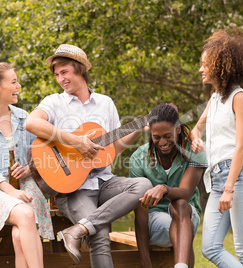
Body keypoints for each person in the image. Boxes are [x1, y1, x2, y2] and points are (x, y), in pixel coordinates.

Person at [24, 44, 152, 267]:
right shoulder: (54, 102)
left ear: (80, 69)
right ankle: (86, 227)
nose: (60, 79)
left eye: (64, 72)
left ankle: (77, 229)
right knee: (99, 234)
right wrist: (75, 141)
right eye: (57, 74)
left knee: (143, 185)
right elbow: (31, 122)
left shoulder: (106, 103)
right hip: (72, 187)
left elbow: (114, 148)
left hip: (103, 181)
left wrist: (138, 129)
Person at [0, 53, 54, 267]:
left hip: (27, 186)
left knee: (18, 236)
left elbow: (39, 153)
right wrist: (12, 192)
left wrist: (29, 168)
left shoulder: (24, 116)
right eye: (13, 82)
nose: (19, 86)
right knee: (25, 215)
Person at [191, 29, 243, 267]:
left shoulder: (239, 98)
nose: (201, 69)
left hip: (240, 176)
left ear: (220, 65)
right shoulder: (214, 98)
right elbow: (197, 128)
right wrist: (195, 137)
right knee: (210, 246)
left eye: (205, 64)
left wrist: (229, 188)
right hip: (218, 178)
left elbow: (242, 146)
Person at [129, 103, 207, 268]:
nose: (162, 142)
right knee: (178, 225)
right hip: (154, 220)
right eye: (156, 137)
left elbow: (185, 192)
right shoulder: (138, 158)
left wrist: (164, 188)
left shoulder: (195, 150)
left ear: (178, 129)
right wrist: (146, 263)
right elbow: (140, 212)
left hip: (187, 213)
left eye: (167, 135)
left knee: (180, 205)